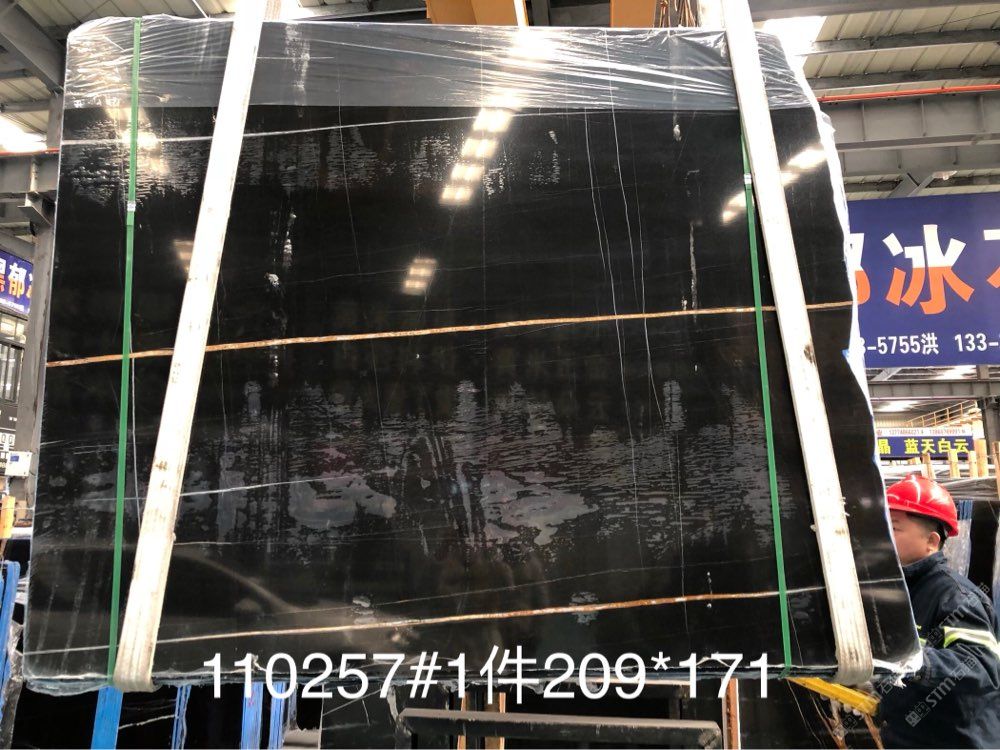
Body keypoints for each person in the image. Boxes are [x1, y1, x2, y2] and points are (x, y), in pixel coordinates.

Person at [877, 473, 1000, 748]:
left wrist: (908, 661)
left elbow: (979, 667)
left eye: (894, 528)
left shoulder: (956, 597)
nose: (882, 536)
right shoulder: (897, 592)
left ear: (931, 542)